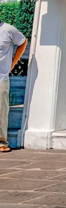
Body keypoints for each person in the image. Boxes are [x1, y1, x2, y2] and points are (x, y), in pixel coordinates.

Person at [0, 19, 27, 153]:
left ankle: (2, 141)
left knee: (1, 111)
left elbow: (23, 42)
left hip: (1, 77)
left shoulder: (8, 29)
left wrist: (14, 62)